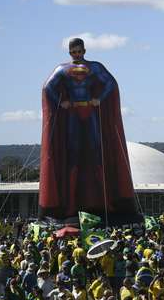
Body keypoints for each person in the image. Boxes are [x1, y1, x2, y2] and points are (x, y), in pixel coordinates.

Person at [39, 37, 139, 222]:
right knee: (73, 157)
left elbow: (111, 84)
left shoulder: (95, 67)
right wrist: (63, 103)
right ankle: (69, 204)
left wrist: (99, 99)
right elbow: (48, 88)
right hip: (73, 117)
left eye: (79, 51)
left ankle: (106, 201)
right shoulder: (62, 70)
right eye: (74, 52)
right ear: (70, 53)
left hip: (90, 114)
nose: (77, 55)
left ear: (84, 50)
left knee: (96, 155)